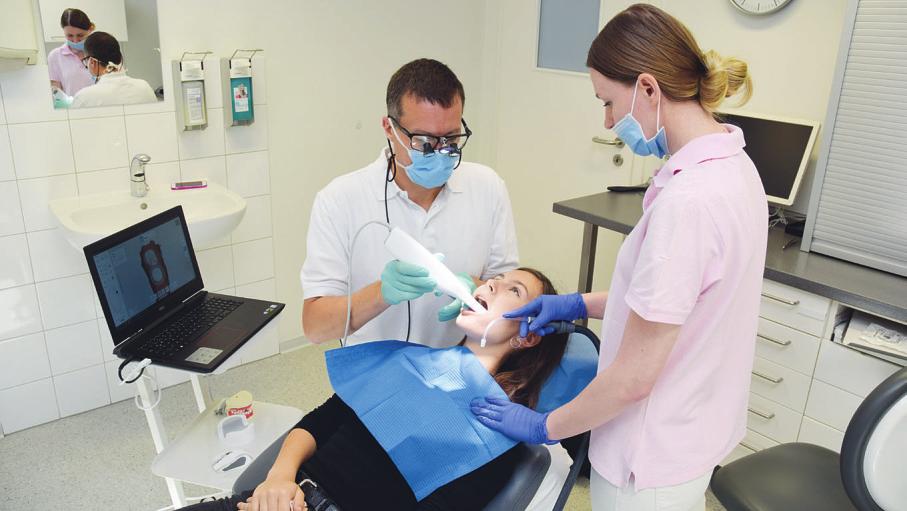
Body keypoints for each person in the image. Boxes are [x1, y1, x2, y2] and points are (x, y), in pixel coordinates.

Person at [471, 5, 766, 511]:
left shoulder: (689, 203)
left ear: (648, 88)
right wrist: (573, 304)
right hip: (693, 433)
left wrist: (545, 425)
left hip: (649, 459)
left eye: (608, 102)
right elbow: (673, 302)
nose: (607, 121)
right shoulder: (735, 165)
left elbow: (633, 379)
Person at [180, 268, 571, 511]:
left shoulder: (495, 431)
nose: (492, 284)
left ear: (527, 337)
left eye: (513, 290)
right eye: (495, 278)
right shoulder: (408, 361)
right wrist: (277, 481)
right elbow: (320, 422)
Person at [300, 58, 518, 347]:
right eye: (425, 141)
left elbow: (513, 301)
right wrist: (382, 293)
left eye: (451, 139)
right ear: (389, 128)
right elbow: (315, 327)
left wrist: (475, 290)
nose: (441, 152)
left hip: (459, 367)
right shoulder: (340, 201)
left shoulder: (487, 187)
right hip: (373, 376)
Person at [70, 32, 157, 108]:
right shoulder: (144, 87)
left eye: (86, 61)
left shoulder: (83, 98)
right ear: (120, 58)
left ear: (92, 62)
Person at [47, 8, 95, 98]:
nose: (75, 40)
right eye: (70, 35)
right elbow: (56, 93)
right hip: (74, 110)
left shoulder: (102, 50)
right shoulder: (55, 56)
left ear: (90, 30)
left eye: (80, 35)